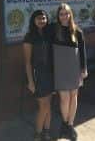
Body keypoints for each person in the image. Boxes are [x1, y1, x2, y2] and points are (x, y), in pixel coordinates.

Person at [52, 3, 88, 141]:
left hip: (75, 68)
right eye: (61, 14)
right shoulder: (54, 30)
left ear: (70, 14)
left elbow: (82, 52)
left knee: (74, 97)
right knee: (64, 98)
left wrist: (84, 69)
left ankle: (69, 125)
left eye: (66, 13)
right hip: (60, 69)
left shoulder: (77, 31)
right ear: (58, 16)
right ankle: (65, 123)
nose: (64, 16)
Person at [23, 10, 53, 141]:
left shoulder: (48, 34)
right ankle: (38, 134)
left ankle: (46, 133)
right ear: (33, 21)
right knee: (43, 106)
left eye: (44, 18)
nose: (42, 21)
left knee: (49, 105)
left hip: (50, 74)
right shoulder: (29, 37)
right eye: (38, 18)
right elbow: (27, 62)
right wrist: (30, 81)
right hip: (38, 75)